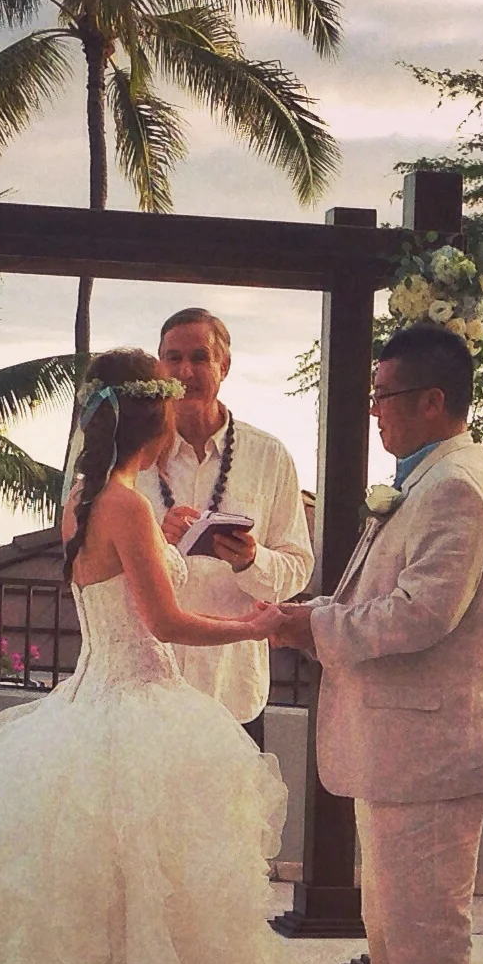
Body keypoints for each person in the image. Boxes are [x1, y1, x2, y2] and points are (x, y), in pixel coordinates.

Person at [0, 350, 325, 964]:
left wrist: (174, 538)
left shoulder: (83, 500)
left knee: (91, 903)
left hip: (85, 705)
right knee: (148, 899)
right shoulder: (128, 508)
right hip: (141, 704)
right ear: (158, 421)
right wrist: (259, 627)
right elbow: (169, 625)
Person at [269, 323, 483, 964]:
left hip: (434, 749)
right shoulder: (424, 479)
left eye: (385, 396)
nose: (374, 411)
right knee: (387, 917)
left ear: (433, 401)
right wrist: (322, 612)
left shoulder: (455, 486)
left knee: (429, 923)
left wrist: (320, 629)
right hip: (399, 748)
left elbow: (423, 614)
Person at [133, 307, 314, 735]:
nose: (185, 370)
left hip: (232, 690)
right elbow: (97, 563)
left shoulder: (268, 457)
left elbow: (298, 569)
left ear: (224, 366)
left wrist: (251, 560)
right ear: (158, 366)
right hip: (148, 683)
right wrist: (154, 543)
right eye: (172, 358)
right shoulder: (134, 457)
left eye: (199, 357)